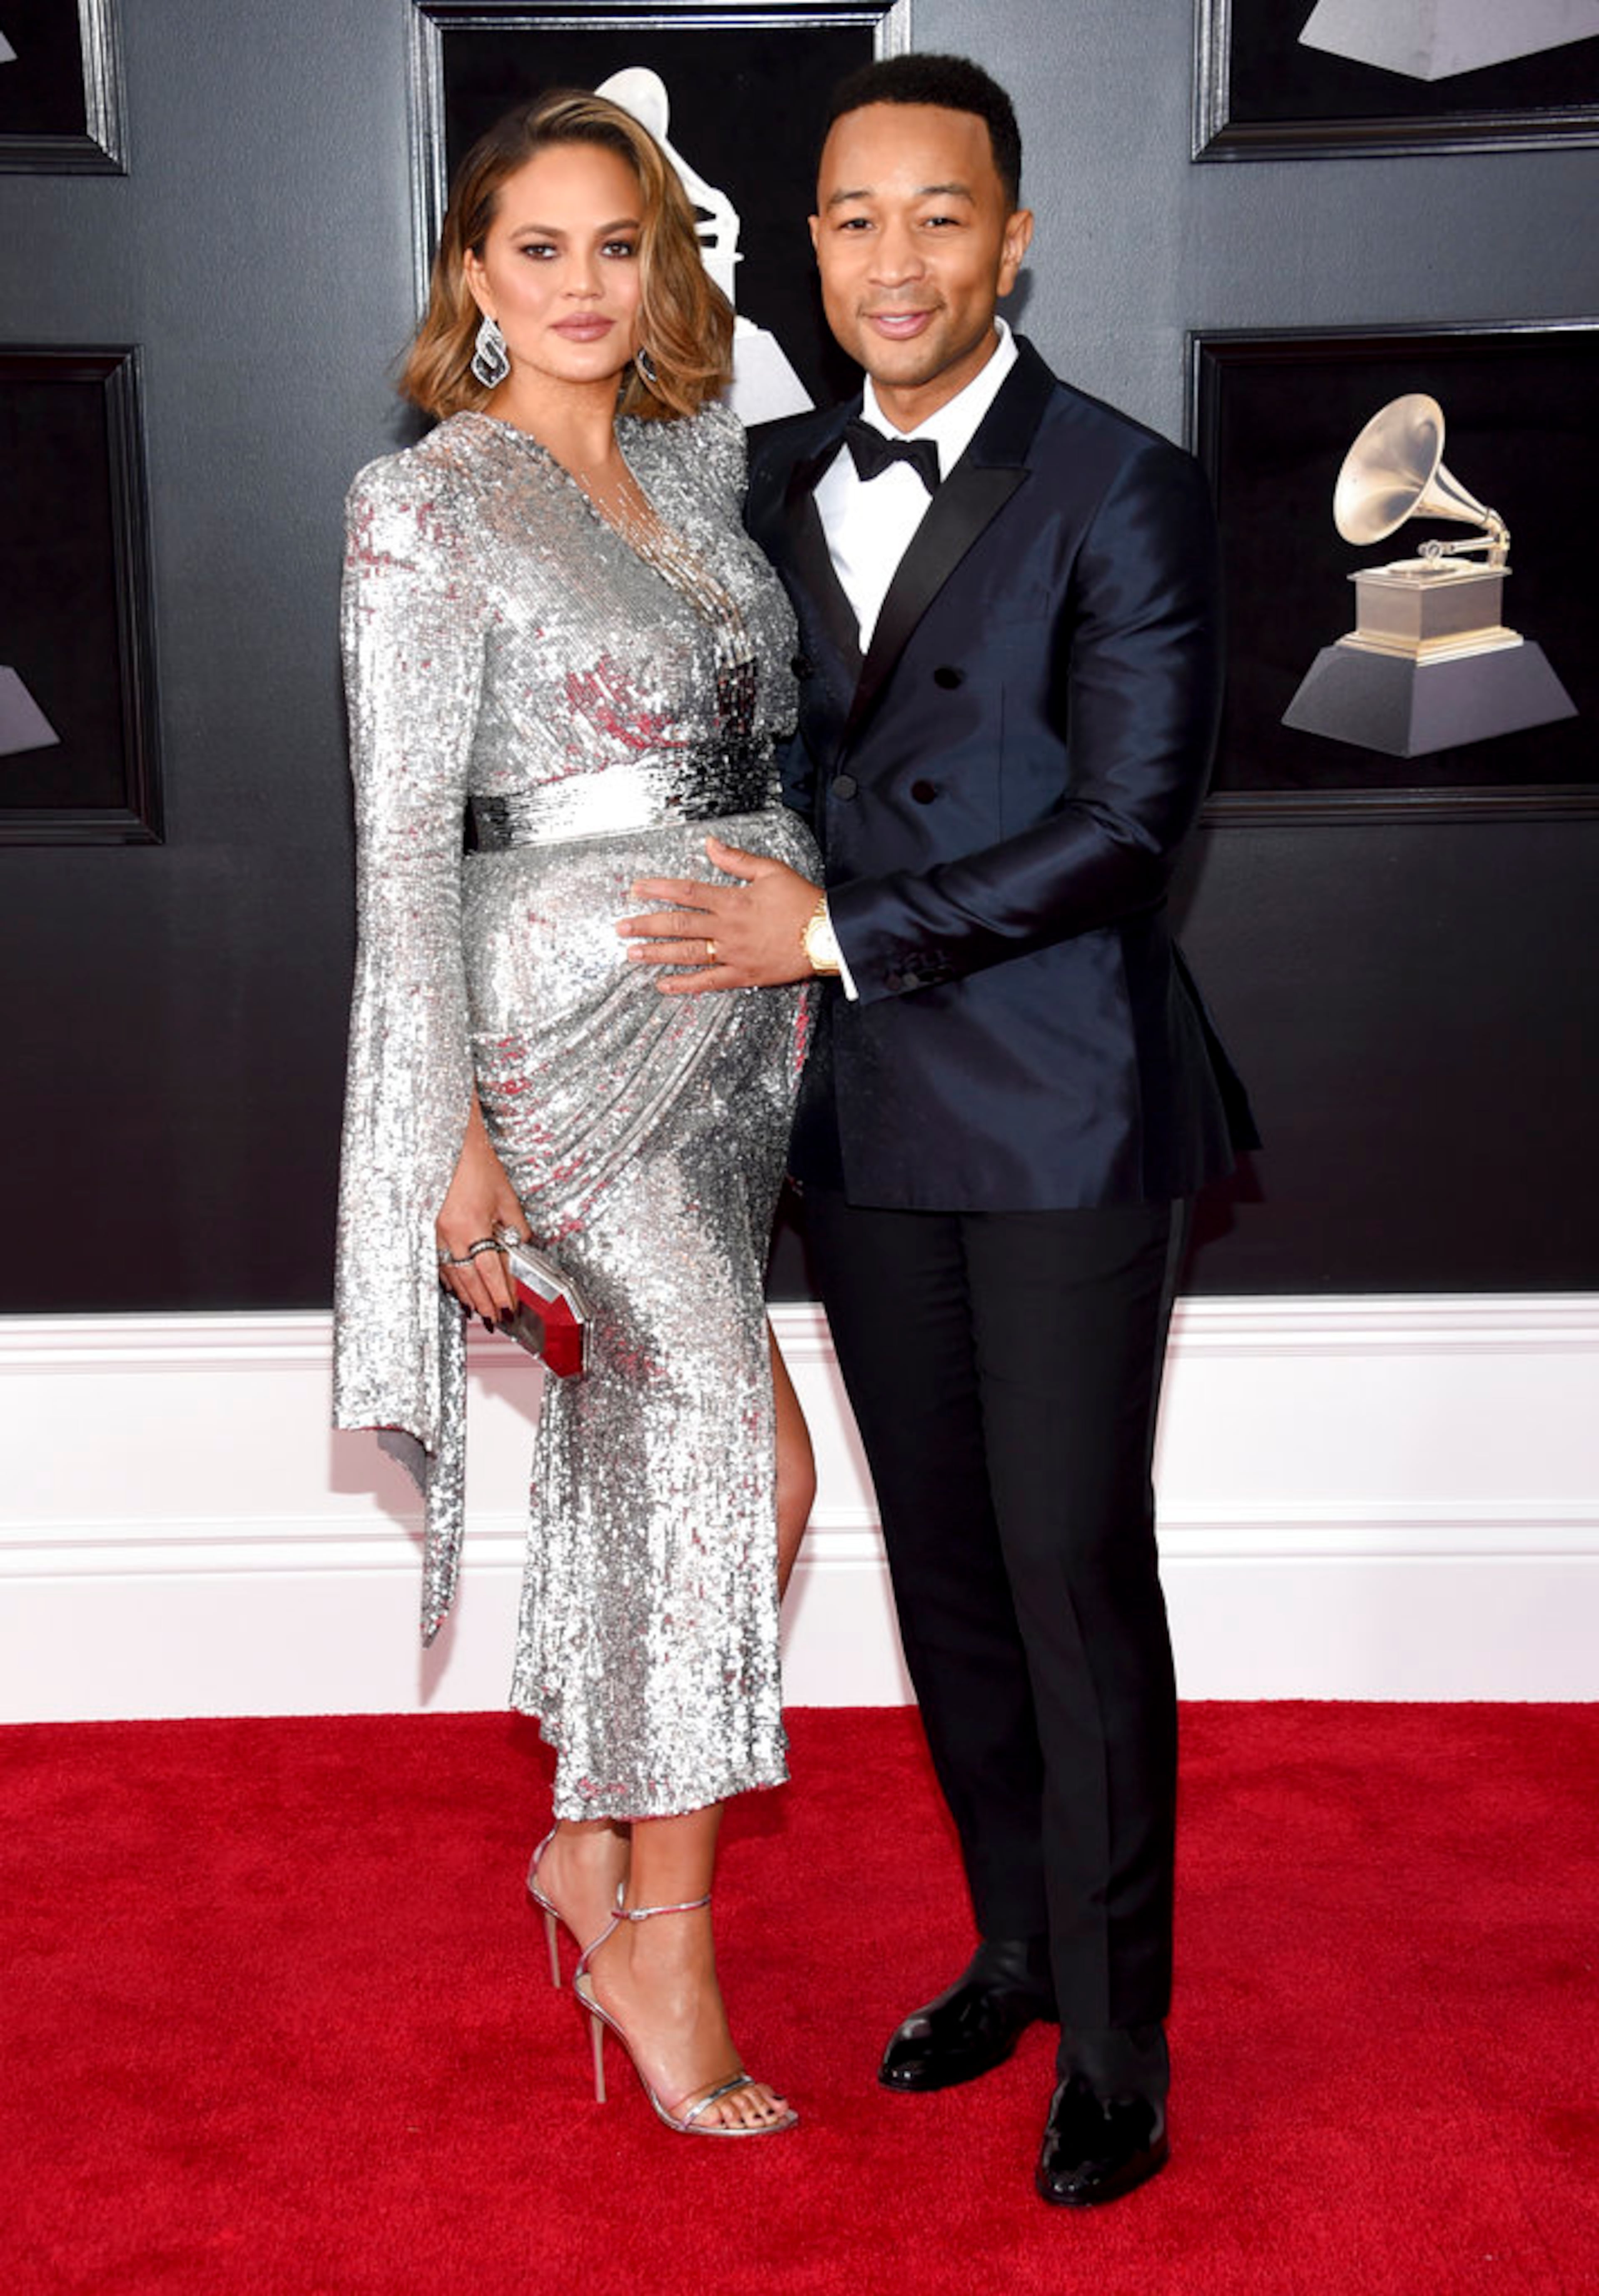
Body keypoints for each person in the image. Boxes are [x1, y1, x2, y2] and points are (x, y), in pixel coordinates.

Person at [616, 53, 1256, 2201]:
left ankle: (1127, 2035)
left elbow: (1123, 825)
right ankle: (1013, 1947)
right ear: (809, 248)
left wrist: (837, 928)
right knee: (954, 1565)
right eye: (855, 219)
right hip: (865, 1111)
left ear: (1017, 235)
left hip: (1067, 1101)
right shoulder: (761, 480)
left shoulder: (1124, 482)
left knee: (1076, 1569)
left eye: (942, 215)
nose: (898, 260)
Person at [332, 89, 821, 2138]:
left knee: (706, 1466)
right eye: (539, 251)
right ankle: (661, 1937)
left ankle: (590, 1848)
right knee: (727, 1455)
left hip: (743, 1030)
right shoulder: (421, 505)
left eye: (618, 246)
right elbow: (398, 847)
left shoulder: (703, 477)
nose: (585, 286)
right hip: (562, 1048)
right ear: (473, 275)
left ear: (664, 258)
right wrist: (446, 1139)